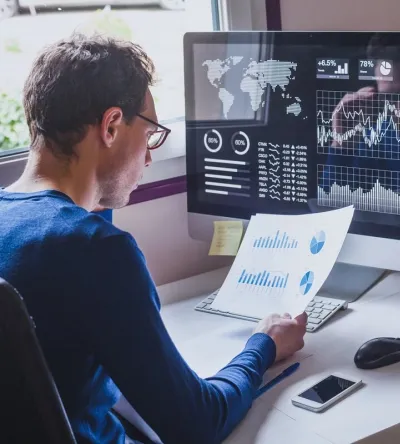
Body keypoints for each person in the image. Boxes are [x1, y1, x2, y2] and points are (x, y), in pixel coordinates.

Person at [0, 34, 307, 444]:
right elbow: (198, 425)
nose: (148, 158)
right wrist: (263, 345)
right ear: (111, 125)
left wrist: (97, 192)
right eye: (149, 135)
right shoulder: (95, 251)